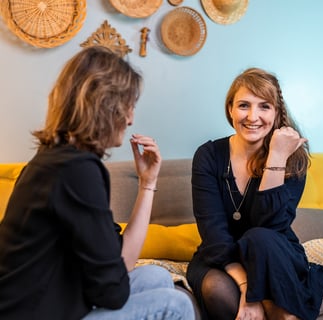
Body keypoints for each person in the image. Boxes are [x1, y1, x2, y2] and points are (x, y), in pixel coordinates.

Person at [0, 46, 194, 320]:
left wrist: (147, 183)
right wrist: (112, 279)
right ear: (106, 105)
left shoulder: (56, 160)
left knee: (155, 276)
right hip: (36, 312)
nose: (131, 119)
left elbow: (117, 262)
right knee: (177, 306)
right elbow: (112, 291)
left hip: (57, 300)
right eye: (129, 105)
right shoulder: (77, 171)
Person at [186, 67, 323, 320]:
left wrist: (276, 156)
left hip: (273, 253)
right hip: (223, 257)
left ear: (276, 114)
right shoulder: (208, 156)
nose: (253, 116)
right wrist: (247, 290)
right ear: (230, 109)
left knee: (259, 237)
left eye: (264, 106)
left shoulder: (292, 158)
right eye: (244, 105)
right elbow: (214, 232)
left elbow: (271, 227)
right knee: (215, 289)